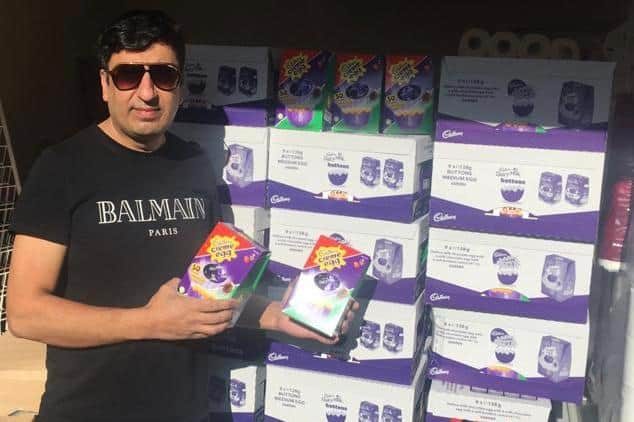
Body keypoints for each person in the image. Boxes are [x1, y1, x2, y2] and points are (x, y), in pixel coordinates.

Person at [6, 10, 356, 422]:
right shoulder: (62, 167)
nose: (147, 92)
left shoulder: (193, 163)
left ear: (180, 83)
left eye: (163, 75)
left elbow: (210, 291)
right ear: (104, 84)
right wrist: (149, 323)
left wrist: (280, 315)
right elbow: (25, 313)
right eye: (128, 76)